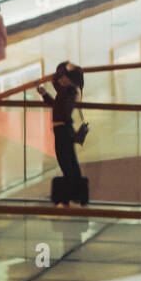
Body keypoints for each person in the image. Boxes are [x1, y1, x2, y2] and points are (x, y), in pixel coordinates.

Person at [37, 62, 86, 206]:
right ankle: (75, 195)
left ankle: (71, 196)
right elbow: (56, 104)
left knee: (66, 164)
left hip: (63, 130)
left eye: (64, 75)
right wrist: (45, 94)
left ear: (69, 79)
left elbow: (60, 109)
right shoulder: (67, 92)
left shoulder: (68, 92)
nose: (61, 78)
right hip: (64, 130)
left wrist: (62, 75)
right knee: (70, 162)